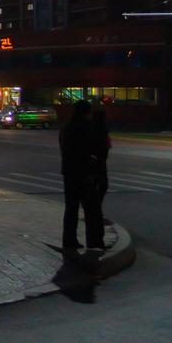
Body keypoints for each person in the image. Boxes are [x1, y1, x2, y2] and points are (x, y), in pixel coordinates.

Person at [59, 99, 105, 253]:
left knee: (71, 208)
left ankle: (69, 240)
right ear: (87, 112)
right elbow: (94, 149)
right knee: (91, 209)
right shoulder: (85, 128)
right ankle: (93, 241)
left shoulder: (67, 127)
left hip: (69, 173)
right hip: (84, 173)